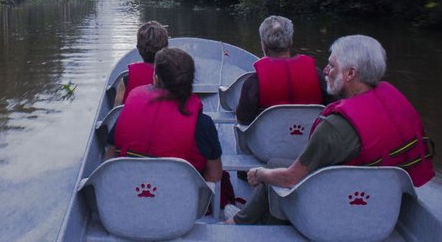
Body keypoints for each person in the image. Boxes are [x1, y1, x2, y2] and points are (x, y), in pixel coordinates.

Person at [227, 35, 434, 225]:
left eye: (332, 65)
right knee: (276, 166)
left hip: (332, 215)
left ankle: (237, 223)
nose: (325, 70)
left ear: (350, 74)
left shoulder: (335, 127)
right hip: (381, 214)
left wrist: (259, 173)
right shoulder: (397, 104)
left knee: (272, 173)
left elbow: (290, 178)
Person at [106, 47, 224, 183]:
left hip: (128, 195)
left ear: (156, 79)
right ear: (189, 82)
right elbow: (215, 176)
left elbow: (110, 159)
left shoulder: (127, 111)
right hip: (181, 200)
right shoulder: (203, 124)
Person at [235, 15, 332, 125]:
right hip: (310, 141)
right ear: (290, 43)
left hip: (269, 140)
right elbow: (332, 107)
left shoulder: (254, 82)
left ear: (264, 46)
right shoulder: (316, 74)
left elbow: (243, 120)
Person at [114, 20, 169, 106]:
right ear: (166, 48)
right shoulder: (175, 76)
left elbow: (116, 111)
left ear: (138, 49)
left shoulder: (126, 80)